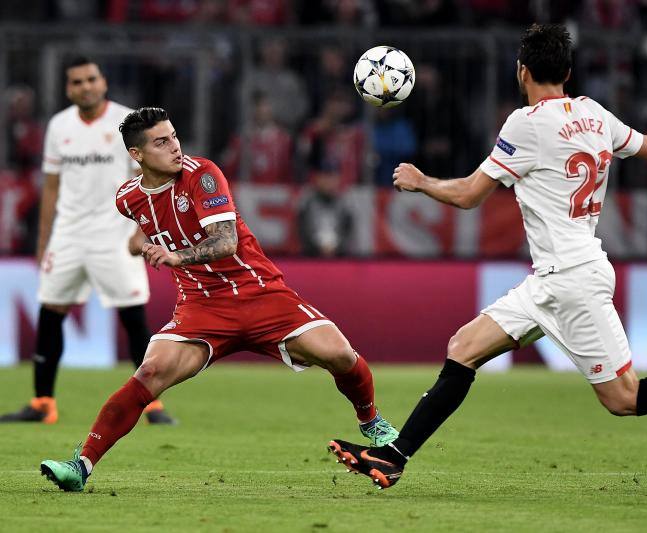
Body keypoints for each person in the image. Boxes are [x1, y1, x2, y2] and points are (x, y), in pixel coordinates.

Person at [327, 24, 647, 489]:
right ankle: (394, 456)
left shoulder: (525, 125)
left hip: (571, 281)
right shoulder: (594, 115)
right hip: (552, 278)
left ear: (521, 71)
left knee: (623, 398)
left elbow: (468, 194)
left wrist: (421, 181)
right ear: (567, 72)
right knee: (463, 348)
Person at [38, 107, 398, 492]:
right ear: (137, 155)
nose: (175, 147)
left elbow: (226, 241)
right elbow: (149, 224)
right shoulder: (127, 199)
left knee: (341, 355)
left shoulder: (202, 175)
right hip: (201, 305)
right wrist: (140, 243)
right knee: (149, 373)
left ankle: (370, 419)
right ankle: (81, 465)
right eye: (162, 142)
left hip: (260, 293)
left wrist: (175, 256)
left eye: (174, 136)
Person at [0, 57, 174, 425]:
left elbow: (153, 177)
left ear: (103, 82)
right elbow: (51, 187)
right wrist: (44, 240)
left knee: (133, 318)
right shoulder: (59, 125)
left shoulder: (129, 123)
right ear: (68, 89)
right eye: (77, 82)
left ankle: (153, 405)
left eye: (91, 79)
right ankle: (43, 403)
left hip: (115, 233)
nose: (85, 86)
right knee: (51, 313)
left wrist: (140, 231)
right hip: (69, 235)